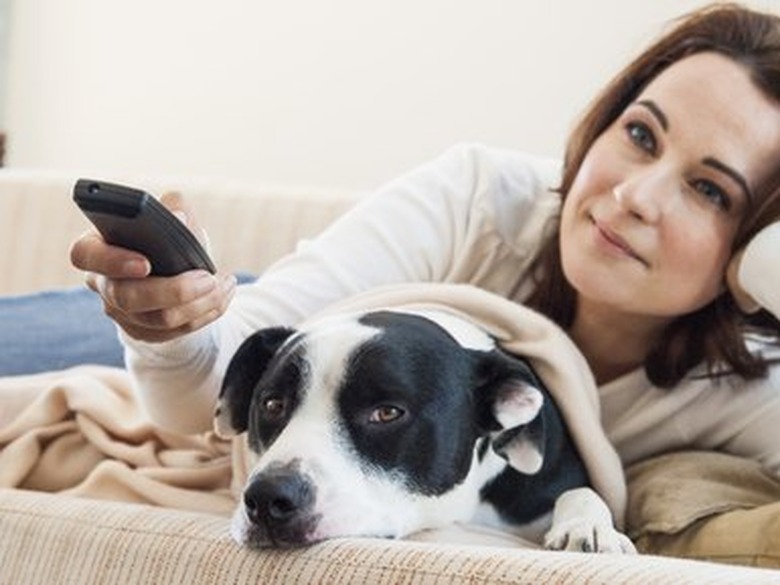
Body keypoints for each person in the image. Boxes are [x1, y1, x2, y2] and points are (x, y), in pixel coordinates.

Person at [71, 4, 780, 476]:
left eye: (711, 191)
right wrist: (164, 328)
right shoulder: (478, 198)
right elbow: (205, 394)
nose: (634, 197)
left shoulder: (749, 388)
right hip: (172, 329)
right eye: (639, 134)